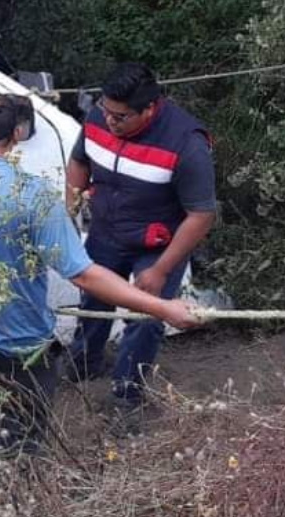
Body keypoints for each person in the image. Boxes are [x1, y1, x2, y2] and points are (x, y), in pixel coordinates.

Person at [0, 94, 201, 454]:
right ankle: (10, 478)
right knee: (21, 436)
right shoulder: (34, 195)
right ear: (15, 136)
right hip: (19, 340)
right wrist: (163, 307)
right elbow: (84, 275)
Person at [65, 63, 217, 412]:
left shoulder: (186, 143)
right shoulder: (99, 117)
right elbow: (79, 161)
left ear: (149, 108)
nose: (110, 121)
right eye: (105, 110)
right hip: (106, 232)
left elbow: (201, 215)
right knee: (93, 302)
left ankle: (127, 397)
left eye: (120, 117)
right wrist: (70, 204)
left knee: (146, 318)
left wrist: (161, 269)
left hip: (158, 245)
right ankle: (84, 365)